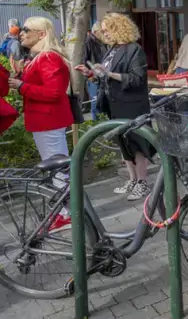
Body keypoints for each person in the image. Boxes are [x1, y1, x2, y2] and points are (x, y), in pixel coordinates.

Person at [77, 13, 154, 201]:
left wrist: (109, 74)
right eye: (103, 31)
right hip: (114, 102)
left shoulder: (134, 50)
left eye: (107, 30)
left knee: (137, 141)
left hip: (132, 103)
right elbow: (105, 75)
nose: (105, 34)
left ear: (119, 28)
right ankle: (132, 179)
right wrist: (91, 74)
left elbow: (136, 79)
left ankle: (142, 182)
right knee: (122, 141)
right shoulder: (110, 49)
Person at [9, 17, 73, 231]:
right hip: (45, 119)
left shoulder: (47, 57)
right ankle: (66, 211)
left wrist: (21, 86)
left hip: (48, 119)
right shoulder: (40, 57)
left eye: (27, 30)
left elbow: (54, 92)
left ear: (42, 34)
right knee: (57, 166)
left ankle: (67, 214)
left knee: (58, 167)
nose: (21, 33)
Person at [83, 22, 106, 119]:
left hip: (102, 76)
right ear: (96, 32)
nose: (105, 33)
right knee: (96, 103)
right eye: (102, 31)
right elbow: (84, 60)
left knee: (102, 103)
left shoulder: (101, 41)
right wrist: (90, 76)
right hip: (94, 77)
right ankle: (97, 126)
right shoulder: (88, 42)